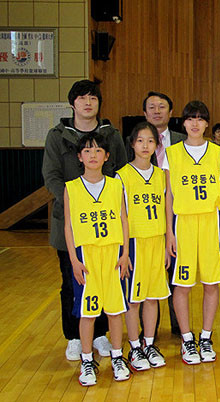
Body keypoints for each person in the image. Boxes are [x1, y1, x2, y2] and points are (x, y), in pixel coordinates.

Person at [42, 79, 127, 361]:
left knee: (105, 281)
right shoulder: (57, 135)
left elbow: (122, 172)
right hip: (70, 223)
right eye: (82, 98)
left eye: (93, 98)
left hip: (106, 224)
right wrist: (74, 202)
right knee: (72, 281)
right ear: (72, 103)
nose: (88, 103)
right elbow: (51, 175)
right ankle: (74, 337)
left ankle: (100, 334)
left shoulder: (111, 134)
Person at [163, 100, 220, 365]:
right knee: (182, 285)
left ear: (206, 124)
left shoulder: (218, 153)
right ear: (183, 123)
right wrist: (169, 232)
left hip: (211, 222)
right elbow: (168, 196)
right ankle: (187, 339)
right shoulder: (171, 153)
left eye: (200, 118)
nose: (195, 123)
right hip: (183, 224)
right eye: (190, 118)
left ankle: (205, 336)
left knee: (211, 283)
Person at [64, 133, 131, 386]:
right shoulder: (71, 187)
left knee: (115, 310)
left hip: (112, 253)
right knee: (87, 312)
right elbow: (69, 226)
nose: (93, 155)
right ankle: (86, 360)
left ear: (107, 156)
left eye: (98, 150)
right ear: (79, 157)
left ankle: (117, 356)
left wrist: (125, 253)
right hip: (86, 255)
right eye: (87, 151)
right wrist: (73, 260)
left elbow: (124, 220)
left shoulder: (115, 185)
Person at [116, 122, 169, 371]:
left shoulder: (162, 176)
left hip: (157, 240)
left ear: (157, 145)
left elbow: (167, 210)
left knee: (152, 296)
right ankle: (134, 346)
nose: (145, 145)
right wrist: (124, 251)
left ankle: (149, 343)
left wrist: (168, 241)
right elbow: (121, 217)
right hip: (135, 242)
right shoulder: (122, 176)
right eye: (140, 140)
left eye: (150, 141)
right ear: (132, 144)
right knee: (133, 299)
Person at [143, 91, 186, 337]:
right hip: (146, 216)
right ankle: (149, 330)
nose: (157, 111)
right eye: (152, 107)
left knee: (177, 273)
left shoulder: (183, 140)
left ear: (171, 112)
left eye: (162, 107)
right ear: (144, 113)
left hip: (179, 215)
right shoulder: (135, 140)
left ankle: (180, 326)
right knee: (148, 272)